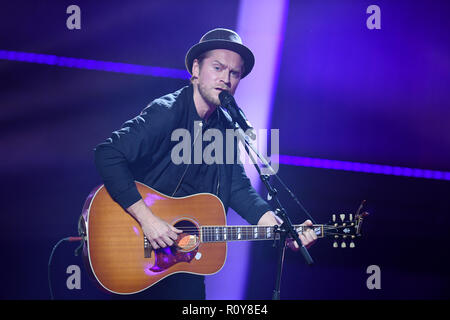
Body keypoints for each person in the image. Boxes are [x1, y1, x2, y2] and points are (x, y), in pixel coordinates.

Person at [94, 28, 317, 300]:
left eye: (234, 73)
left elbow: (237, 188)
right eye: (218, 67)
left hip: (182, 259)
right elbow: (108, 154)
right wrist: (148, 220)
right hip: (135, 245)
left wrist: (284, 230)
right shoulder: (168, 112)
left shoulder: (226, 127)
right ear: (196, 69)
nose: (226, 78)